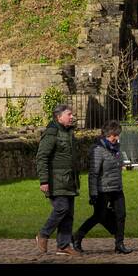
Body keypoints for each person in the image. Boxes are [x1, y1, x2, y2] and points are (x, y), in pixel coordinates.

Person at [72, 121, 131, 255]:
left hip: (117, 188)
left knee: (121, 215)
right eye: (114, 135)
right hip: (102, 190)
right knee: (99, 216)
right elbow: (93, 173)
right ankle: (77, 237)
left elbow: (118, 165)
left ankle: (119, 244)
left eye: (117, 135)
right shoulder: (98, 150)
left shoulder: (116, 148)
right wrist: (93, 194)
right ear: (108, 135)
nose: (117, 138)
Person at [35, 103, 79, 257]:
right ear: (59, 117)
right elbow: (41, 157)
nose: (72, 116)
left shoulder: (68, 132)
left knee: (69, 214)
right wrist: (44, 181)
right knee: (62, 208)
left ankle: (63, 245)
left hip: (69, 180)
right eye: (69, 114)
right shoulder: (51, 133)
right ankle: (43, 234)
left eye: (71, 114)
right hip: (55, 180)